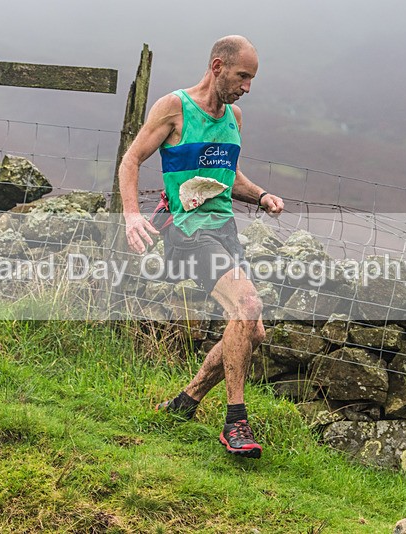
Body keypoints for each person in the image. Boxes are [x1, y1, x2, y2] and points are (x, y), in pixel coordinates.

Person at [119, 35, 284, 459]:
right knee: (246, 308)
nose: (247, 86)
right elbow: (131, 159)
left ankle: (184, 403)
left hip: (223, 229)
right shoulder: (174, 108)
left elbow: (229, 176)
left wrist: (262, 195)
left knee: (254, 331)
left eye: (252, 79)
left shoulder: (236, 118)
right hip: (188, 231)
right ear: (217, 67)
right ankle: (235, 423)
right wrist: (132, 215)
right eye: (243, 76)